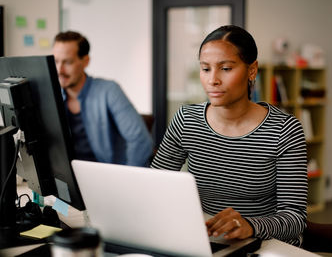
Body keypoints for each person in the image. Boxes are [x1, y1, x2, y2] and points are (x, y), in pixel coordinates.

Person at [151, 25, 308, 246]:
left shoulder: (284, 130)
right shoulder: (187, 120)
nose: (212, 80)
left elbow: (295, 218)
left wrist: (250, 225)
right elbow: (156, 185)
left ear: (251, 70)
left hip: (265, 244)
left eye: (225, 69)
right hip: (208, 240)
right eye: (206, 69)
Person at [53, 31, 153, 167]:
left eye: (68, 62)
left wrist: (127, 179)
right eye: (56, 61)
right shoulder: (52, 95)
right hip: (68, 179)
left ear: (85, 61)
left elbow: (140, 140)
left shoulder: (109, 90)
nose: (60, 70)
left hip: (106, 179)